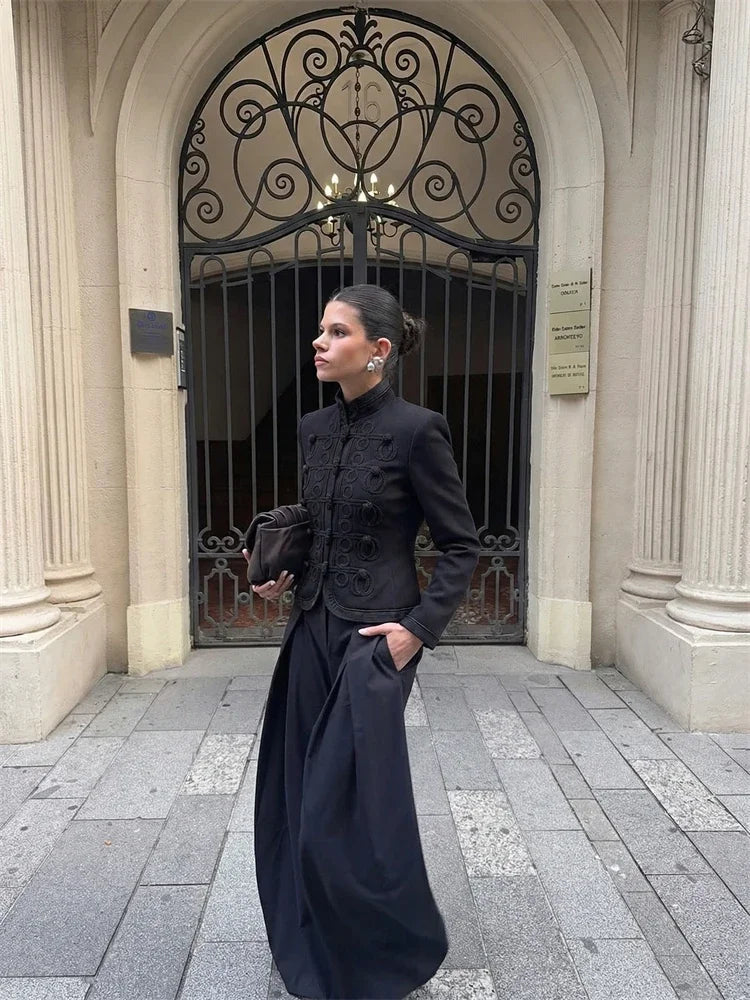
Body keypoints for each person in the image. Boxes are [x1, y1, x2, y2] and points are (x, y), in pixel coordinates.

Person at [245, 284, 480, 1000]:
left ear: (377, 350)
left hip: (377, 638)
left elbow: (462, 546)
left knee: (344, 800)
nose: (318, 342)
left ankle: (392, 951)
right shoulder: (314, 429)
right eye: (320, 330)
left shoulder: (419, 430)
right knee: (295, 789)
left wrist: (415, 632)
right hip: (312, 625)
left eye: (336, 332)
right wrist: (282, 572)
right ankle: (316, 939)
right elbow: (322, 521)